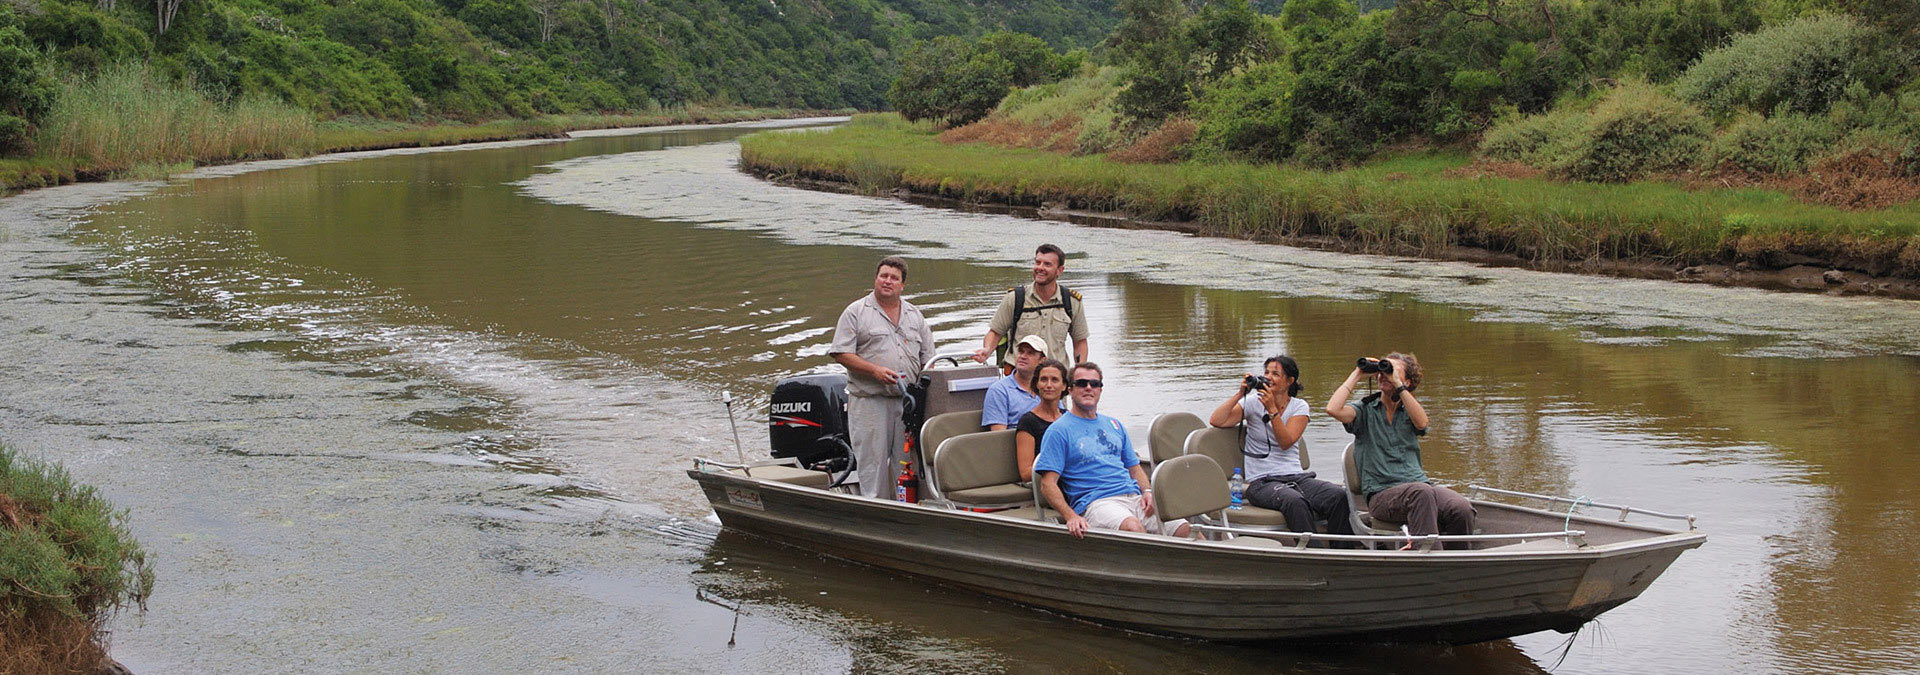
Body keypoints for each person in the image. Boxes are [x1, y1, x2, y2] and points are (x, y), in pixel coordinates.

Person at [1325, 352, 1474, 549]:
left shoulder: (1409, 411)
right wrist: (1358, 373)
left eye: (1392, 371)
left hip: (1420, 487)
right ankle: (1429, 560)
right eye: (1383, 371)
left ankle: (1459, 560)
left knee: (1461, 508)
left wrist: (1399, 385)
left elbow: (1422, 423)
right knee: (1421, 494)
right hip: (1381, 495)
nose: (1384, 375)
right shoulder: (1365, 410)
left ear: (1408, 382)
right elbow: (1333, 409)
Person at [1034, 362, 1191, 539]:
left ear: (1100, 390)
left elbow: (1135, 468)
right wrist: (1071, 516)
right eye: (1081, 383)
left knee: (1183, 527)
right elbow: (1047, 485)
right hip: (1096, 502)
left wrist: (1147, 492)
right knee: (1133, 528)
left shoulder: (1114, 425)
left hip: (1132, 497)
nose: (1088, 388)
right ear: (1070, 389)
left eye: (1094, 384)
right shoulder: (1058, 430)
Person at [1207, 356, 1353, 537]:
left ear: (1290, 381)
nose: (1269, 377)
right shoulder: (1253, 402)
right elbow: (1217, 420)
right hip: (1261, 481)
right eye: (1266, 372)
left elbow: (1286, 442)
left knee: (1337, 496)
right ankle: (1312, 554)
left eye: (1275, 374)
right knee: (1295, 501)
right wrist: (1240, 394)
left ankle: (1341, 551)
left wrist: (1272, 410)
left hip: (1296, 476)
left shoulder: (1299, 407)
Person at [828, 256, 936, 499]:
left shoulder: (915, 315)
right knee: (872, 466)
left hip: (907, 405)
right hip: (869, 402)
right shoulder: (856, 312)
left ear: (902, 285)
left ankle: (904, 512)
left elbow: (929, 360)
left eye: (894, 278)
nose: (888, 281)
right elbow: (841, 352)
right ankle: (875, 514)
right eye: (883, 276)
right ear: (876, 279)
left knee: (907, 465)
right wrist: (874, 371)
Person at [971, 244, 1089, 370]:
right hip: (1018, 377)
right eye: (1038, 262)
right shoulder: (1015, 298)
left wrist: (1079, 373)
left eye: (1047, 264)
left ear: (1060, 270)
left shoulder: (1071, 302)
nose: (1040, 268)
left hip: (1055, 379)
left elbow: (1080, 342)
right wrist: (987, 350)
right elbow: (995, 332)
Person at [1014, 358, 1070, 483]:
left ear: (1064, 386)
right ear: (1037, 384)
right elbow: (1025, 473)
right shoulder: (1028, 421)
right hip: (1048, 482)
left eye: (1054, 380)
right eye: (1044, 380)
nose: (1048, 385)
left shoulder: (1069, 418)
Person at [981, 335, 1049, 430]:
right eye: (1021, 351)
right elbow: (998, 437)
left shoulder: (1049, 389)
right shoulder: (999, 390)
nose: (1023, 356)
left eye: (1030, 353)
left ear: (1042, 360)